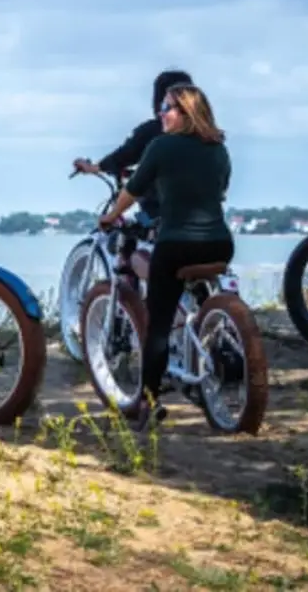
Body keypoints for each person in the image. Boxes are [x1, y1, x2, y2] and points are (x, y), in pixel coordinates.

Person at [98, 83, 234, 430]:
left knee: (156, 325)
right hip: (220, 243)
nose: (161, 112)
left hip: (176, 245)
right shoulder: (219, 149)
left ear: (186, 112)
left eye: (168, 107)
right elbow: (220, 189)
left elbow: (133, 189)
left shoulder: (161, 147)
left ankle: (149, 400)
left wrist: (112, 216)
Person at [73, 69, 193, 223]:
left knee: (140, 237)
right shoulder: (211, 140)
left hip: (163, 217)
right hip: (208, 225)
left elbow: (126, 159)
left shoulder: (156, 136)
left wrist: (94, 168)